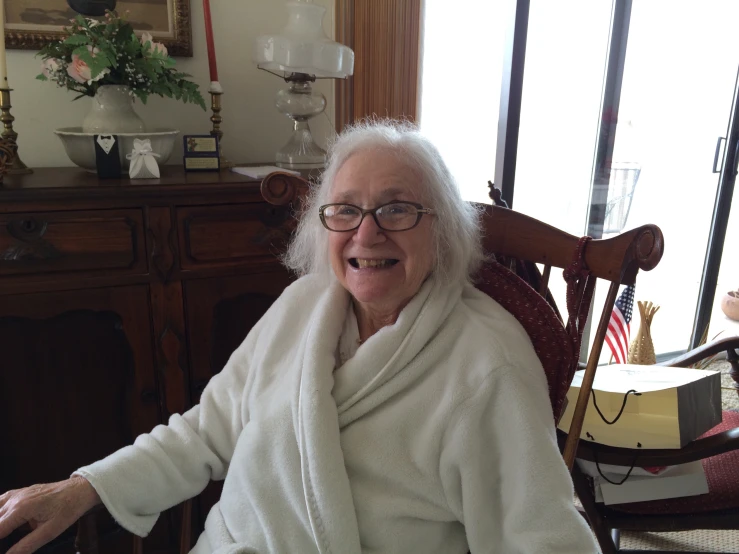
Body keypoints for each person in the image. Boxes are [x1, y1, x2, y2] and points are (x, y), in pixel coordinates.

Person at [0, 120, 597, 554]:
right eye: (345, 210)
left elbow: (543, 537)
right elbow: (205, 432)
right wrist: (83, 486)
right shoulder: (302, 306)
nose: (366, 234)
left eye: (397, 210)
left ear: (441, 230)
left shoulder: (488, 363)